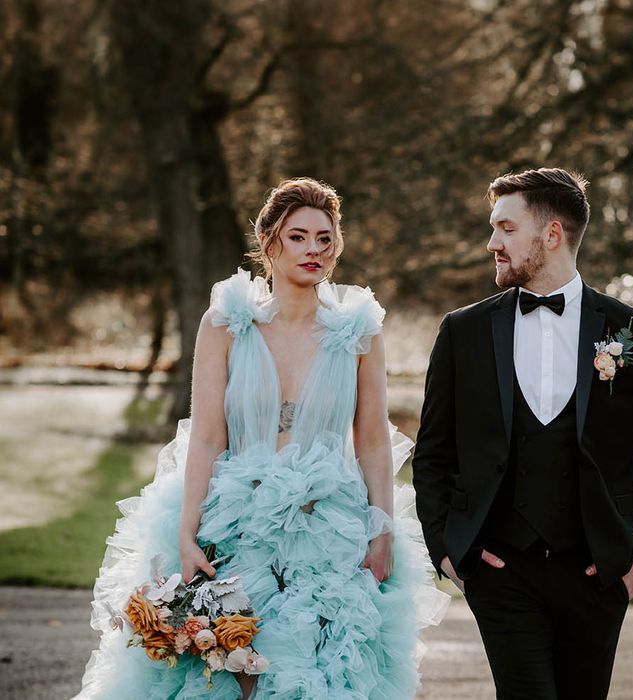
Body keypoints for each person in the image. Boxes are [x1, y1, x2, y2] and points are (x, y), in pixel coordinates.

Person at [76, 177, 448, 699]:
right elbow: (205, 437)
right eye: (298, 237)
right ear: (269, 242)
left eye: (325, 237)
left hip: (328, 529)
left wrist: (381, 528)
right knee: (225, 674)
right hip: (233, 524)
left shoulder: (359, 332)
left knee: (314, 675)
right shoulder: (225, 325)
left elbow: (371, 442)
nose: (314, 250)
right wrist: (186, 534)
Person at [412, 167, 633, 699]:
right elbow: (432, 455)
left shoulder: (632, 331)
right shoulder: (463, 332)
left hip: (598, 577)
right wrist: (449, 552)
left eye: (505, 228)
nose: (491, 242)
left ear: (551, 235)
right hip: (501, 575)